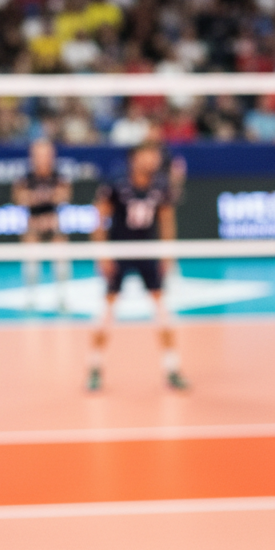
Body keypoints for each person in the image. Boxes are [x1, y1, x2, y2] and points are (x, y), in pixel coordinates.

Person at [86, 142, 188, 392]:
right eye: (147, 155)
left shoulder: (160, 185)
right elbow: (98, 218)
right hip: (119, 253)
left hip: (148, 254)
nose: (152, 159)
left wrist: (167, 253)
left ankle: (172, 368)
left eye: (154, 154)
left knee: (162, 310)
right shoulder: (116, 185)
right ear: (134, 158)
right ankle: (95, 368)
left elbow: (166, 218)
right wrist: (102, 255)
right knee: (106, 313)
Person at [12, 138, 72, 310]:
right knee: (30, 249)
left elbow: (64, 195)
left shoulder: (58, 176)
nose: (43, 158)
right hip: (34, 224)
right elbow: (20, 198)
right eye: (39, 155)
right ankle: (30, 297)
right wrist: (46, 198)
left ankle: (62, 297)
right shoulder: (26, 178)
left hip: (53, 224)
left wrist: (35, 198)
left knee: (61, 249)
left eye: (46, 154)